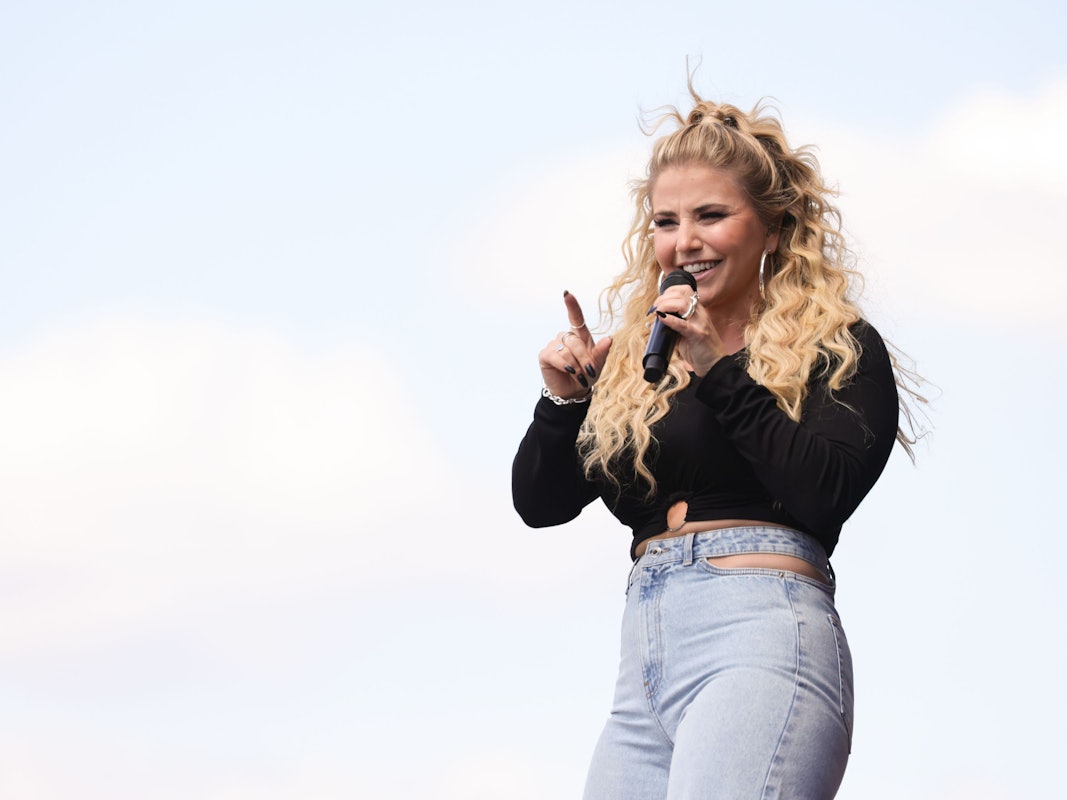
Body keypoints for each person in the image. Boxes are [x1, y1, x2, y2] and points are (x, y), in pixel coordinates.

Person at [512, 87, 921, 800]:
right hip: (644, 658)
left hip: (759, 635)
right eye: (665, 222)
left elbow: (822, 493)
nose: (685, 242)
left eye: (710, 216)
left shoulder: (837, 347)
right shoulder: (640, 364)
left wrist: (718, 371)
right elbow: (540, 505)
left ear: (772, 227)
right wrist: (564, 402)